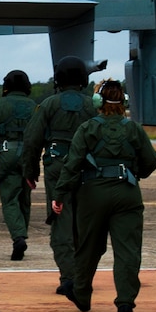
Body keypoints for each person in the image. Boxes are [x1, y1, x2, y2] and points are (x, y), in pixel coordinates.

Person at [55, 79, 156, 312]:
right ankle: (125, 303)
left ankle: (82, 294)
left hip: (92, 193)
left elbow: (72, 163)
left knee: (88, 247)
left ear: (97, 102)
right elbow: (151, 160)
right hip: (127, 192)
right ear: (123, 101)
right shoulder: (133, 129)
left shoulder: (87, 128)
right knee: (128, 251)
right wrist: (135, 174)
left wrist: (60, 193)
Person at [23, 57, 96, 295]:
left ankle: (69, 277)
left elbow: (32, 141)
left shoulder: (48, 105)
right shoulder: (92, 106)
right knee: (84, 225)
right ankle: (83, 275)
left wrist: (30, 171)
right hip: (87, 169)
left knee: (61, 222)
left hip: (57, 168)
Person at [0, 70, 39, 260]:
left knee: (10, 199)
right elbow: (40, 133)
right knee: (25, 198)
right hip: (28, 154)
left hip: (7, 153)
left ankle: (18, 236)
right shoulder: (34, 106)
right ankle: (22, 233)